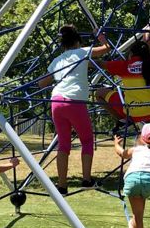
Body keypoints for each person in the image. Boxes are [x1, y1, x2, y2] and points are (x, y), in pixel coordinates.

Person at [38, 25, 110, 195]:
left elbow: (42, 83)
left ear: (63, 45)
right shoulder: (82, 52)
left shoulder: (57, 60)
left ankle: (62, 185)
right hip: (75, 101)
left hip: (56, 101)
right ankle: (86, 179)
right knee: (86, 140)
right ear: (77, 41)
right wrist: (100, 37)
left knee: (63, 144)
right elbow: (106, 49)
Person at [96, 40, 150, 129]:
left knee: (99, 93)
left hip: (133, 113)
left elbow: (100, 64)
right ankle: (143, 122)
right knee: (130, 94)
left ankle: (123, 120)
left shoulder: (124, 65)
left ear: (131, 53)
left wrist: (85, 60)